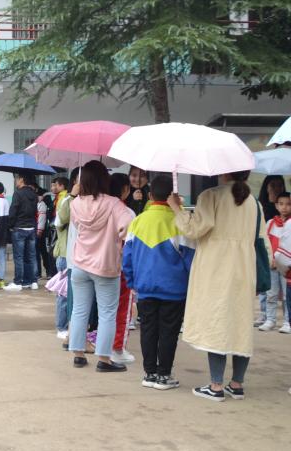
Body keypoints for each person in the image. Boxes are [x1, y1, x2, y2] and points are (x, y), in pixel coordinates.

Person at [169, 171, 270, 401]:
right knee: (240, 323)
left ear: (224, 171)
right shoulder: (254, 203)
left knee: (217, 322)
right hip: (245, 267)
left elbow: (195, 230)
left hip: (216, 266)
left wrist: (176, 208)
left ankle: (216, 385)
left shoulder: (210, 195)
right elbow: (262, 239)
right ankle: (237, 383)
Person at [122, 175, 195, 391]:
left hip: (144, 286)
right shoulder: (180, 222)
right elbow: (190, 258)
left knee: (148, 330)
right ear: (174, 197)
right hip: (174, 288)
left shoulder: (138, 221)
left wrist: (132, 281)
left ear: (150, 195)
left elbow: (127, 256)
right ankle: (164, 375)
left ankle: (149, 373)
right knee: (169, 332)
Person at [67, 161, 131, 372]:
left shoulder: (76, 203)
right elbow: (128, 225)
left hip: (80, 264)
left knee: (79, 310)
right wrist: (120, 235)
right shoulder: (114, 204)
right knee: (107, 313)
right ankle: (104, 359)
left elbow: (77, 225)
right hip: (105, 266)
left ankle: (78, 354)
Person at [108, 173, 138, 365]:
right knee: (122, 309)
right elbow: (129, 245)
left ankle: (104, 346)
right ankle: (117, 348)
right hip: (120, 267)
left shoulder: (99, 208)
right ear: (125, 190)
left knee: (106, 310)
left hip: (98, 266)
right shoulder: (127, 213)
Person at [259, 191, 290, 332]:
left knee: (287, 296)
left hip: (287, 267)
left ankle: (288, 321)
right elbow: (266, 243)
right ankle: (270, 319)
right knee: (271, 294)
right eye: (281, 204)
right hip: (272, 265)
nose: (284, 207)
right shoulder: (271, 223)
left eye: (288, 204)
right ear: (276, 205)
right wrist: (270, 258)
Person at [4, 172, 39, 291]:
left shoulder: (18, 193)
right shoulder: (34, 194)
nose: (15, 181)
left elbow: (13, 211)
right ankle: (32, 281)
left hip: (19, 228)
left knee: (19, 257)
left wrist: (10, 225)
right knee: (31, 256)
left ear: (22, 179)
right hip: (31, 228)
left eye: (17, 179)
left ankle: (18, 282)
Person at [52, 174, 75, 339]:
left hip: (76, 255)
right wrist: (72, 197)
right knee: (64, 293)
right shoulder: (66, 200)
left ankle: (69, 326)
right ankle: (62, 327)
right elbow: (59, 222)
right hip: (65, 253)